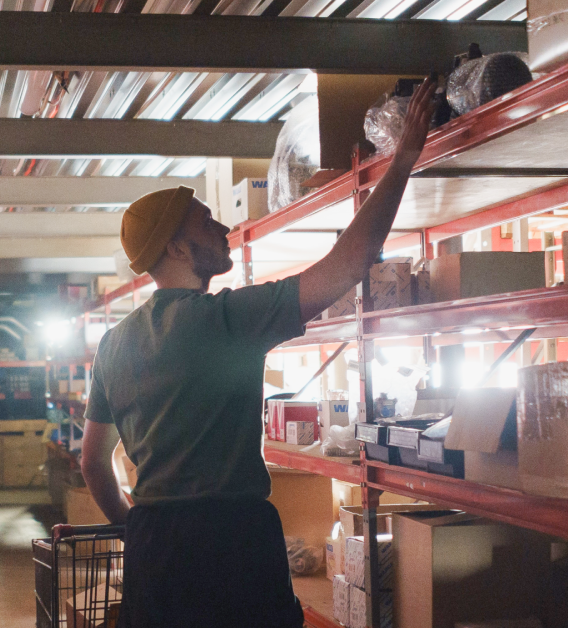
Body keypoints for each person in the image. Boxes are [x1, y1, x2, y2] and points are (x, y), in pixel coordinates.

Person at [80, 75, 438, 628]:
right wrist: (405, 156)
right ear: (176, 246)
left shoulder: (113, 344)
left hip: (154, 545)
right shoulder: (229, 317)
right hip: (231, 540)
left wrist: (136, 527)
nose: (223, 226)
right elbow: (352, 260)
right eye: (205, 220)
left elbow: (93, 463)